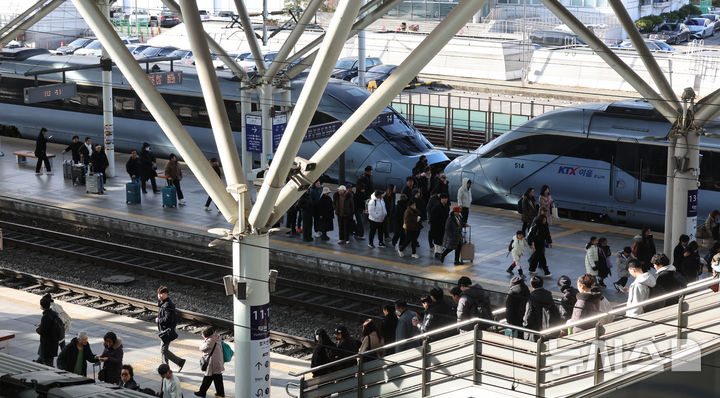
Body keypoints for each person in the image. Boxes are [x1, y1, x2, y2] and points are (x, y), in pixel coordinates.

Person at [157, 286, 186, 371]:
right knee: (163, 350)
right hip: (164, 330)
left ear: (166, 294)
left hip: (167, 331)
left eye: (161, 294)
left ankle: (180, 362)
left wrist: (158, 320)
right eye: (158, 294)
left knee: (163, 350)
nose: (159, 296)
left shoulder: (168, 305)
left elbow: (167, 319)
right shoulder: (164, 303)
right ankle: (165, 368)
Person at [523, 276, 561, 341]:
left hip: (535, 333)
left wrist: (525, 325)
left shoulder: (531, 298)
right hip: (548, 331)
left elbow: (528, 316)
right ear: (542, 284)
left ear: (532, 285)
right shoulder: (548, 296)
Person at [195, 326, 224, 397]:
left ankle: (202, 392)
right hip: (218, 361)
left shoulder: (210, 341)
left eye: (202, 334)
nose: (202, 335)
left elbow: (201, 348)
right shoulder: (216, 337)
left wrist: (204, 340)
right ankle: (220, 393)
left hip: (212, 362)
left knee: (208, 377)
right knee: (217, 377)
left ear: (205, 334)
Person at [35, 294, 61, 366]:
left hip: (47, 345)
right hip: (53, 343)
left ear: (42, 306)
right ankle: (36, 364)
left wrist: (37, 329)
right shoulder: (54, 314)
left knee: (48, 363)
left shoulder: (45, 316)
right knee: (42, 358)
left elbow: (42, 331)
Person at [354, 166, 373, 240]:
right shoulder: (363, 178)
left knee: (361, 220)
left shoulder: (367, 178)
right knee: (360, 220)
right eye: (370, 171)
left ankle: (358, 233)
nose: (371, 172)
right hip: (360, 205)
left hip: (362, 204)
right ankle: (358, 234)